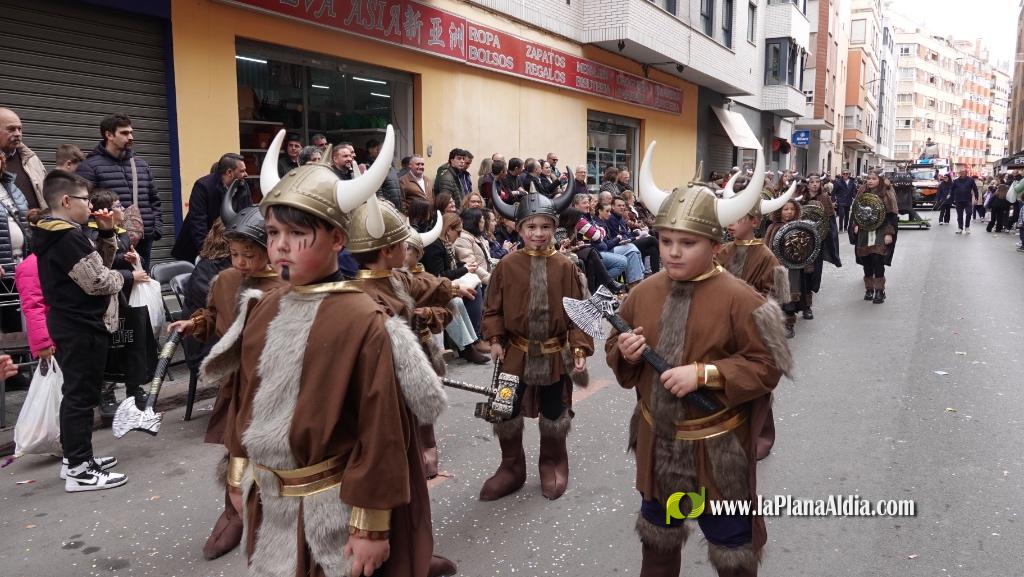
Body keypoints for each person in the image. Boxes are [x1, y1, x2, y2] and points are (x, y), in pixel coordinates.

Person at [202, 129, 453, 577]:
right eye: (274, 232)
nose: (280, 245)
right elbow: (246, 398)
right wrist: (238, 470)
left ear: (338, 239)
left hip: (336, 501)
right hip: (272, 498)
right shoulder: (263, 305)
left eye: (298, 233)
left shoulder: (363, 318)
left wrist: (372, 525)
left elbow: (381, 427)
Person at [611, 145, 788, 577]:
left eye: (687, 243)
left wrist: (706, 374)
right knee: (658, 542)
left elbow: (768, 366)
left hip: (719, 453)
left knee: (731, 550)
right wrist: (624, 353)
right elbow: (617, 355)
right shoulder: (641, 293)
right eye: (666, 240)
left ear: (715, 244)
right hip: (659, 444)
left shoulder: (743, 298)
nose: (673, 252)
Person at [346, 194, 460, 577]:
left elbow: (429, 287)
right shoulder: (364, 299)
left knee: (412, 483)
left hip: (403, 405)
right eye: (402, 244)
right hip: (383, 410)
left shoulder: (390, 281)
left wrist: (454, 288)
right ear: (390, 249)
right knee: (393, 485)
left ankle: (417, 553)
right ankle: (403, 561)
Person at [167, 193, 285, 560]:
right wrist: (195, 323)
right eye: (235, 254)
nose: (241, 262)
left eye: (249, 255)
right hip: (236, 386)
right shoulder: (224, 280)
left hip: (275, 388)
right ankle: (234, 515)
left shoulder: (288, 286)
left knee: (279, 457)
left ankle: (278, 526)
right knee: (236, 451)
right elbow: (213, 315)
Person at [34, 170, 148, 491]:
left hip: (75, 323)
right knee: (81, 397)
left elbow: (98, 265)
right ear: (67, 201)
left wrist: (108, 233)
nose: (91, 206)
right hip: (79, 325)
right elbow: (98, 281)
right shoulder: (65, 236)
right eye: (85, 199)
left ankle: (76, 458)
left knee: (79, 394)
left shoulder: (67, 232)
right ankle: (80, 470)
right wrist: (130, 278)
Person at [483, 187, 592, 502]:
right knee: (505, 409)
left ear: (554, 227)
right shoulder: (506, 265)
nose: (539, 233)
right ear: (519, 229)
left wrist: (579, 347)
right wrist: (494, 339)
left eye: (545, 226)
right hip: (515, 354)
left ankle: (553, 463)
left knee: (555, 412)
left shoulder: (566, 266)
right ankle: (511, 468)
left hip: (554, 355)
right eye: (531, 226)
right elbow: (493, 308)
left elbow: (578, 311)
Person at [76, 113, 162, 270]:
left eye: (131, 132)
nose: (130, 137)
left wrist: (154, 229)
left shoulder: (141, 165)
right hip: (112, 241)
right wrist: (96, 235)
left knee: (142, 286)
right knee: (119, 286)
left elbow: (154, 199)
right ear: (108, 135)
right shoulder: (89, 167)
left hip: (143, 240)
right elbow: (81, 203)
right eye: (124, 133)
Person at [172, 153, 251, 263]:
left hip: (229, 250)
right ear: (229, 172)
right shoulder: (203, 186)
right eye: (242, 171)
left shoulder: (243, 185)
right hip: (197, 252)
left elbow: (246, 217)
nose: (246, 174)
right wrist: (207, 254)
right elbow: (198, 223)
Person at [851, 171, 898, 303]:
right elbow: (856, 211)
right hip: (865, 231)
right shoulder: (862, 192)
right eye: (868, 179)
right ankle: (869, 289)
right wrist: (856, 224)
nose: (870, 181)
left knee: (877, 258)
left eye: (873, 178)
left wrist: (889, 233)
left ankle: (879, 291)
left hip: (881, 230)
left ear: (880, 180)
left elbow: (891, 216)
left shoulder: (887, 193)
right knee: (866, 260)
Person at [15, 209, 54, 364]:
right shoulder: (30, 265)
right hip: (53, 338)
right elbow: (33, 306)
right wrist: (44, 343)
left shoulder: (62, 256)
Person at [0, 107, 46, 210]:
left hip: (38, 223)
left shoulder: (31, 159)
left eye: (19, 129)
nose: (18, 134)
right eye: (11, 129)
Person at [951, 168, 979, 234]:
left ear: (966, 172)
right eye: (961, 172)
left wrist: (976, 198)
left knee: (969, 213)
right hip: (958, 200)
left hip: (968, 199)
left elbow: (975, 189)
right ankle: (960, 228)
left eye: (964, 172)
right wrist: (951, 198)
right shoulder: (956, 181)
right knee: (959, 215)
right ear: (959, 173)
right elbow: (952, 190)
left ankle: (967, 227)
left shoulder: (971, 180)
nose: (962, 173)